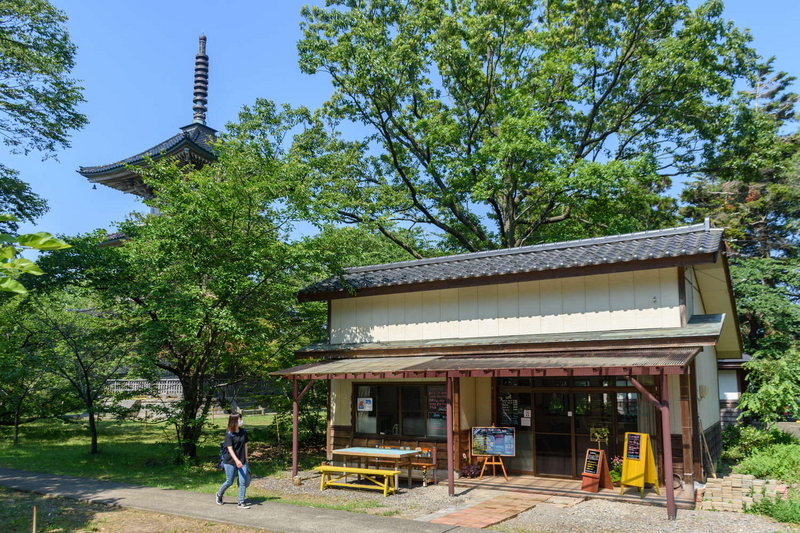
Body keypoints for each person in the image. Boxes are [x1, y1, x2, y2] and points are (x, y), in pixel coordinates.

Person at [215, 412, 250, 509]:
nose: (240, 420)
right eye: (238, 419)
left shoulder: (244, 432)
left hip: (242, 460)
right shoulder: (229, 434)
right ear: (234, 421)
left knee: (243, 482)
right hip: (230, 461)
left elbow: (246, 445)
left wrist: (246, 458)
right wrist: (236, 460)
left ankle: (241, 502)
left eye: (241, 418)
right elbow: (229, 449)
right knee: (229, 481)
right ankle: (219, 494)